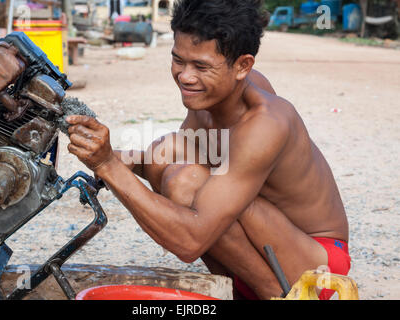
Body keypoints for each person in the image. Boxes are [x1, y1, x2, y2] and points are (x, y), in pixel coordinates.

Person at [66, 0, 350, 300]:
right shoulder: (218, 92)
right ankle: (246, 287)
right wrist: (107, 153)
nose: (186, 77)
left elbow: (190, 242)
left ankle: (274, 293)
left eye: (201, 66)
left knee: (186, 182)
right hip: (270, 240)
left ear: (242, 66)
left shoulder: (265, 122)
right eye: (179, 60)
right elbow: (173, 154)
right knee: (170, 149)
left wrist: (108, 166)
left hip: (317, 268)